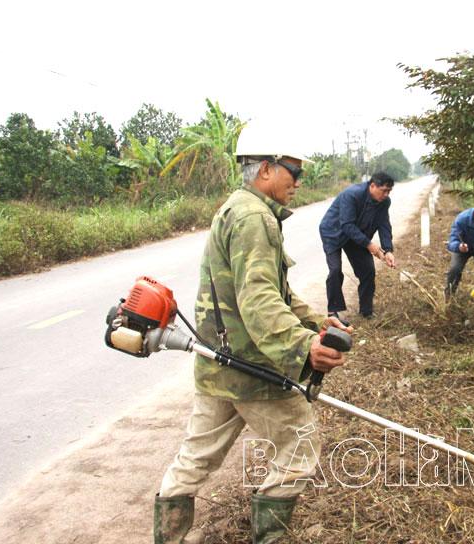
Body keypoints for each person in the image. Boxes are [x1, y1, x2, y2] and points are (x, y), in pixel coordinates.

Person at [154, 125, 352, 544]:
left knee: (195, 458)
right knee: (300, 446)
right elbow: (258, 300)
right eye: (293, 171)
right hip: (248, 368)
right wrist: (304, 349)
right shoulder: (254, 218)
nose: (299, 182)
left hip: (216, 363)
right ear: (266, 169)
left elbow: (275, 292)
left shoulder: (239, 208)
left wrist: (316, 323)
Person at [318, 172, 396, 319]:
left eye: (389, 191)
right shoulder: (352, 194)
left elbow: (384, 224)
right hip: (334, 232)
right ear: (372, 185)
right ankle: (333, 312)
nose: (386, 194)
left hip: (356, 236)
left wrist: (388, 250)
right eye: (383, 190)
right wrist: (369, 245)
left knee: (368, 270)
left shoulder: (384, 202)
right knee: (335, 270)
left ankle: (366, 311)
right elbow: (347, 225)